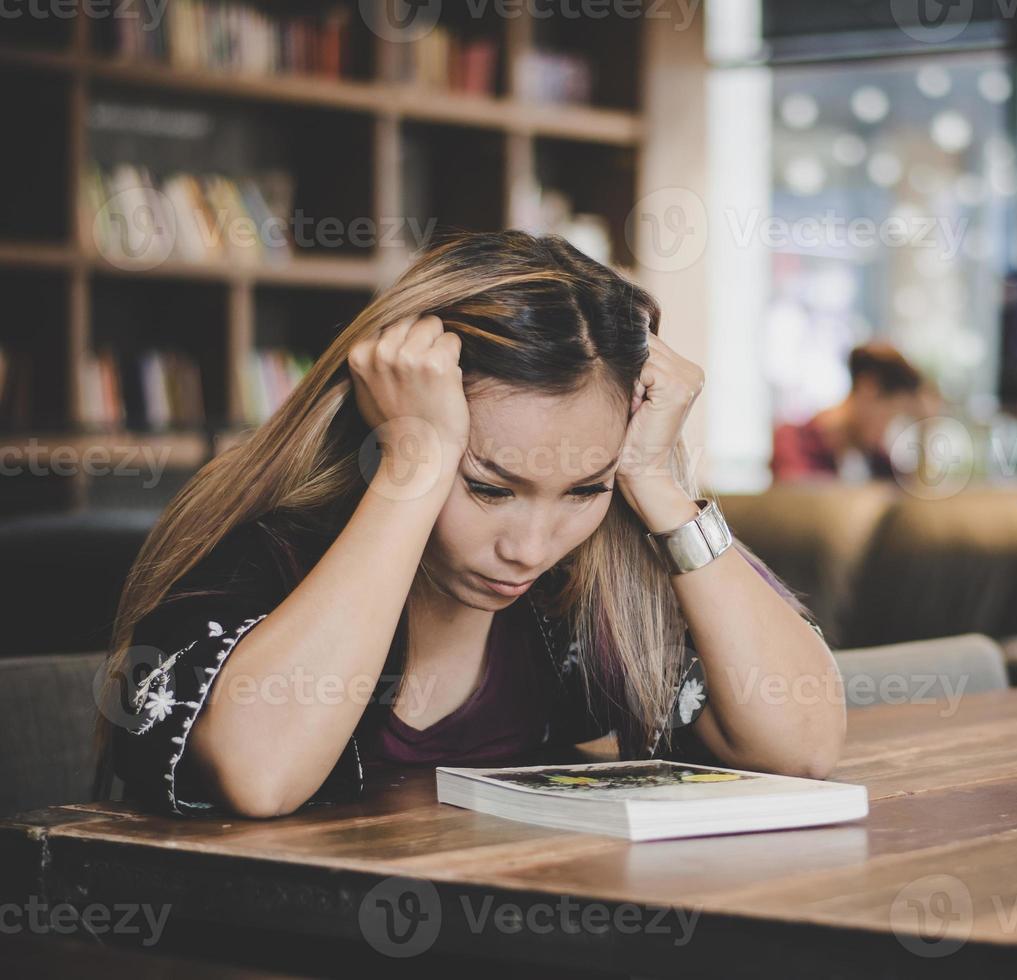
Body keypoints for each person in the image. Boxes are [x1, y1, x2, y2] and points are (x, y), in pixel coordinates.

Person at [95, 231, 846, 819]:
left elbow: (803, 742)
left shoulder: (587, 586)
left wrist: (655, 479)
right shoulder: (268, 552)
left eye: (583, 489)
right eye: (489, 487)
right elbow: (259, 776)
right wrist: (414, 464)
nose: (529, 548)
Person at [770, 342, 929, 482]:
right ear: (868, 389)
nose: (886, 431)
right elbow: (805, 503)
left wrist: (926, 431)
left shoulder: (875, 459)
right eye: (892, 417)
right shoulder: (793, 442)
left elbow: (910, 498)